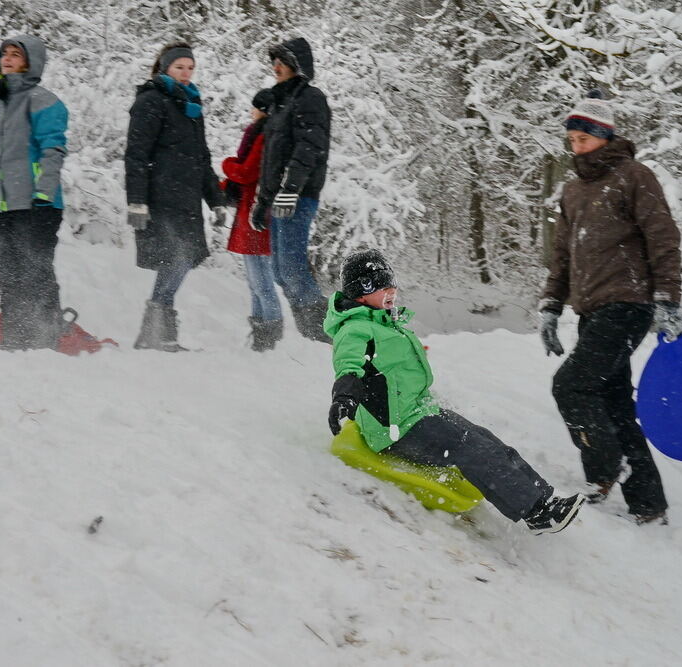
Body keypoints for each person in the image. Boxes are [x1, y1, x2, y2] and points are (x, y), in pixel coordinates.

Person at [326, 250, 584, 535]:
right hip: (397, 426)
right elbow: (349, 367)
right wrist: (344, 398)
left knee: (485, 440)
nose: (391, 291)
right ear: (360, 292)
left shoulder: (384, 322)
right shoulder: (356, 330)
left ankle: (542, 500)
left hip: (418, 413)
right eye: (381, 286)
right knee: (472, 449)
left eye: (391, 284)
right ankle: (537, 511)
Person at [539, 90, 682, 525]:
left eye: (582, 138)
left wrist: (668, 298)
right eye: (571, 139)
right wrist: (550, 305)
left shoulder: (634, 177)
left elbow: (663, 237)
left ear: (603, 135)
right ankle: (649, 504)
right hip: (591, 310)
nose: (575, 146)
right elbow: (562, 256)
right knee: (616, 403)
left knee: (571, 386)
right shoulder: (572, 192)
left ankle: (603, 471)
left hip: (629, 304)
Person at [125, 42, 227, 352]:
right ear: (164, 68)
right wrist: (137, 200)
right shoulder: (151, 101)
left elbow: (202, 158)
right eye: (179, 67)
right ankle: (158, 330)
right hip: (160, 197)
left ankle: (157, 332)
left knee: (182, 258)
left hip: (187, 199)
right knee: (176, 257)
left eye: (190, 68)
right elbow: (137, 154)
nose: (185, 73)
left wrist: (217, 200)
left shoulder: (191, 106)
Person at [0, 35, 68, 350]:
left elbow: (52, 150)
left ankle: (47, 337)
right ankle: (17, 338)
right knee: (8, 276)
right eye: (4, 54)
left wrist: (43, 193)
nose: (8, 59)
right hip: (1, 207)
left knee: (36, 272)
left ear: (31, 62)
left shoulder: (44, 101)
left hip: (37, 204)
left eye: (16, 54)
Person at [251, 37, 331, 343]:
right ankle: (316, 334)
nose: (276, 67)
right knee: (280, 272)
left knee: (292, 269)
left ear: (297, 66)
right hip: (279, 197)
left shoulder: (310, 98)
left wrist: (291, 188)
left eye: (282, 61)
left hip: (299, 196)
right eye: (274, 62)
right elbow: (272, 158)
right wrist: (263, 201)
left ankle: (323, 335)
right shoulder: (280, 104)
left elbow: (310, 147)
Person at [220, 89, 282, 351]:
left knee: (261, 282)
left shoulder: (265, 135)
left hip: (257, 214)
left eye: (255, 107)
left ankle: (270, 338)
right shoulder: (261, 134)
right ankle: (260, 336)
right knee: (255, 281)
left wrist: (227, 164)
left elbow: (246, 172)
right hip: (252, 211)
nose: (251, 112)